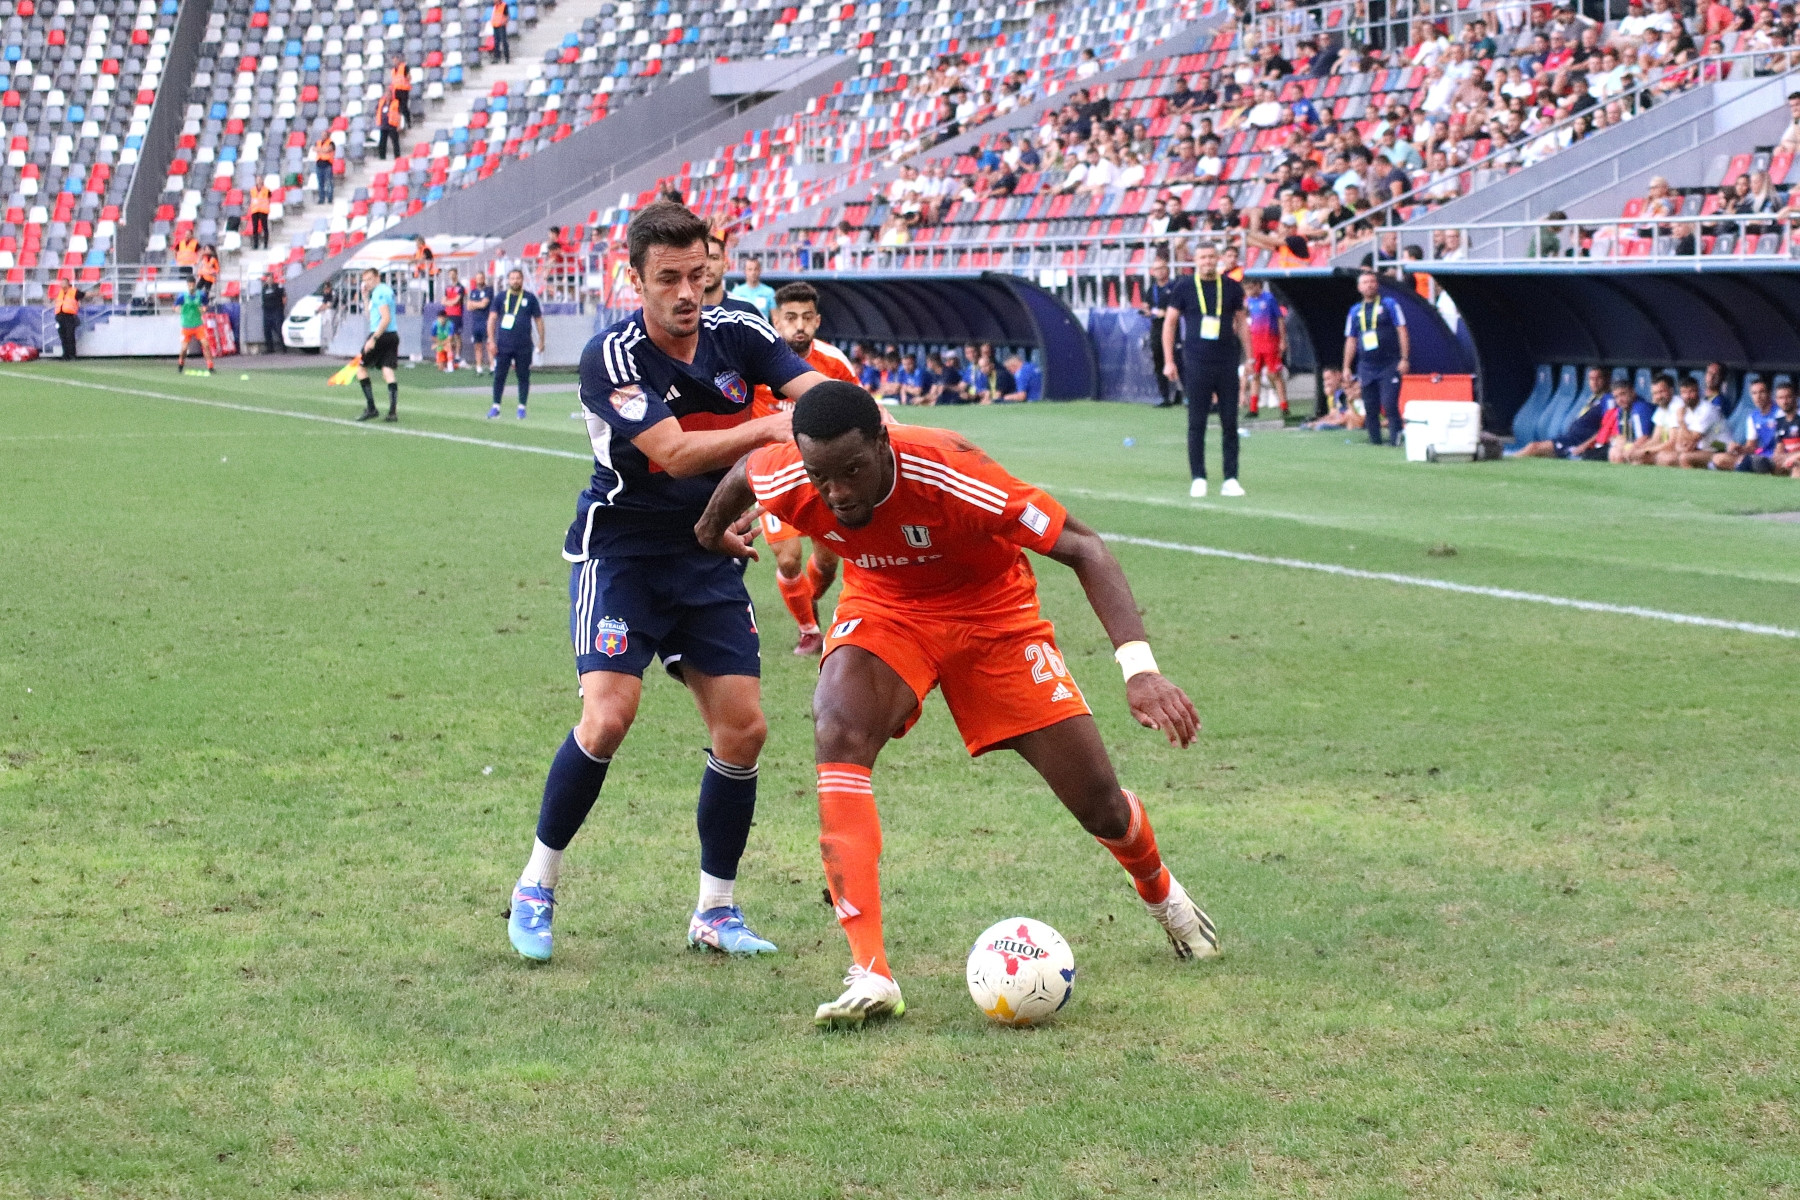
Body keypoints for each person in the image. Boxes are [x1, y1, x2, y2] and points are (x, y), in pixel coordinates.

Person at [694, 383, 1217, 1027]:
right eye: (821, 475)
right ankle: (871, 970)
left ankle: (1163, 894)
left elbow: (1085, 547)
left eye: (853, 470)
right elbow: (748, 469)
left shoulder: (953, 472)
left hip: (995, 618)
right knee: (838, 728)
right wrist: (709, 529)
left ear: (884, 443)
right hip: (886, 609)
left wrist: (1140, 672)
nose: (837, 493)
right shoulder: (791, 476)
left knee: (1100, 804)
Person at [503, 202, 834, 964]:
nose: (688, 292)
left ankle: (714, 911)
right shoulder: (610, 358)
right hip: (620, 555)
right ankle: (536, 883)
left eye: (698, 275)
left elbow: (808, 389)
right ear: (635, 280)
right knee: (609, 715)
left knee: (744, 729)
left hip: (708, 554)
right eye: (669, 279)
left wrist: (844, 412)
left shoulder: (740, 329)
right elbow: (677, 453)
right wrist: (769, 429)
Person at [750, 281, 860, 654]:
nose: (799, 325)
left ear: (817, 321)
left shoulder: (834, 363)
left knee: (828, 564)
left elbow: (857, 411)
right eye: (790, 318)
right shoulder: (755, 367)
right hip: (775, 478)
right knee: (789, 556)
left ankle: (803, 603)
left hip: (822, 479)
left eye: (807, 318)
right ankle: (809, 630)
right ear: (775, 320)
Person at [1161, 243, 1248, 498]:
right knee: (1196, 422)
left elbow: (1241, 323)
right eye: (1203, 257)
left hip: (1227, 360)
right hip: (1196, 361)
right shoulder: (1184, 286)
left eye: (1212, 256)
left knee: (1230, 421)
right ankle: (1198, 477)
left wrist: (1250, 358)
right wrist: (1169, 360)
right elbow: (1170, 324)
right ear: (1195, 260)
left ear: (1218, 259)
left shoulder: (1231, 287)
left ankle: (1230, 478)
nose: (1208, 261)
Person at [1341, 270, 1410, 447]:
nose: (1369, 285)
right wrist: (1346, 366)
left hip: (1389, 363)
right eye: (1365, 282)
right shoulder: (1355, 310)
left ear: (1377, 284)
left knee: (1389, 403)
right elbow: (1351, 339)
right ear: (1359, 287)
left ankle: (1396, 438)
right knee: (1370, 406)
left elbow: (1402, 331)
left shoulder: (1389, 304)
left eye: (1372, 281)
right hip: (1366, 365)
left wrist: (1404, 358)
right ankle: (1375, 440)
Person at [486, 267, 544, 419]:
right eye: (512, 278)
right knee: (500, 376)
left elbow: (538, 320)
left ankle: (522, 407)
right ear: (508, 280)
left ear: (522, 280)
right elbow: (492, 319)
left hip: (524, 345)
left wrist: (541, 340)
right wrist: (491, 340)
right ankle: (496, 406)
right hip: (503, 345)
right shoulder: (500, 298)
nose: (515, 281)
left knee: (523, 376)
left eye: (518, 278)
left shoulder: (530, 298)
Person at [356, 267, 400, 422]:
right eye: (365, 280)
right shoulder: (381, 292)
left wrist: (373, 339)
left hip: (380, 335)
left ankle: (371, 408)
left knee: (361, 368)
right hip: (392, 335)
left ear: (377, 277)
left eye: (369, 279)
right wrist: (365, 298)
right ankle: (392, 412)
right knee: (387, 371)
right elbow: (371, 317)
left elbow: (385, 318)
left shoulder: (380, 292)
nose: (366, 283)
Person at [1242, 277, 1288, 418]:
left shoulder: (1269, 299)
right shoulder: (1247, 303)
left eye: (1250, 288)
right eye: (1246, 289)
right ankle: (1253, 408)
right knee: (1255, 375)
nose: (1248, 292)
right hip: (1255, 344)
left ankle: (1284, 406)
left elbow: (1279, 319)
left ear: (1258, 286)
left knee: (1275, 374)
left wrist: (1282, 340)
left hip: (1270, 342)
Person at [1713, 377, 1778, 472]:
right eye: (1754, 393)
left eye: (1762, 392)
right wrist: (1739, 448)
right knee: (1718, 458)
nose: (1758, 397)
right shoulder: (1753, 417)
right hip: (1760, 456)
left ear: (1769, 393)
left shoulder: (1780, 413)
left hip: (1777, 457)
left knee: (1750, 463)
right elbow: (1751, 447)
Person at [1143, 255, 1180, 406]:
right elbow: (1146, 305)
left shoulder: (1174, 287)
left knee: (1178, 360)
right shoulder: (1152, 289)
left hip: (1173, 328)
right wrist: (1148, 310)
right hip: (1157, 328)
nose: (1159, 272)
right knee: (1159, 361)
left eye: (1161, 268)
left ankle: (1182, 394)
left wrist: (1167, 313)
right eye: (1156, 269)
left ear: (1167, 269)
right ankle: (1165, 397)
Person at [175, 280, 213, 374]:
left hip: (198, 325)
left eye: (193, 284)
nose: (191, 286)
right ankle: (181, 363)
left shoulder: (201, 295)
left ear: (195, 284)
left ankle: (210, 366)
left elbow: (206, 304)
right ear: (187, 285)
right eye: (189, 284)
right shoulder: (182, 296)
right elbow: (175, 306)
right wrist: (178, 310)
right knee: (184, 349)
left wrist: (204, 309)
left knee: (206, 344)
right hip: (186, 326)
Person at [1769, 382, 1800, 477]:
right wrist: (1778, 458)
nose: (1785, 401)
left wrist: (1789, 457)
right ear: (1776, 400)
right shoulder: (1779, 422)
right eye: (1781, 398)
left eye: (1788, 397)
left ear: (1796, 397)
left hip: (1796, 460)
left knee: (1796, 470)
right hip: (1789, 460)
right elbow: (1779, 449)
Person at [466, 272, 492, 373]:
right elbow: (468, 306)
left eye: (481, 278)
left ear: (484, 278)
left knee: (489, 344)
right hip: (476, 322)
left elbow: (484, 304)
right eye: (478, 278)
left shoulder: (489, 290)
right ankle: (479, 367)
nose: (479, 280)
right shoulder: (473, 292)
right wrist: (477, 304)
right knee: (477, 345)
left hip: (486, 321)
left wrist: (474, 304)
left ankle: (492, 366)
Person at [439, 268, 464, 368]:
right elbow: (443, 301)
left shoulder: (460, 287)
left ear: (456, 274)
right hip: (448, 314)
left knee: (457, 335)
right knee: (449, 336)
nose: (452, 276)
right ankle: (450, 356)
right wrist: (450, 303)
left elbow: (456, 301)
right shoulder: (448, 287)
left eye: (453, 274)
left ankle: (458, 356)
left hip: (457, 314)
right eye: (450, 274)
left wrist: (448, 303)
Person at [50, 280, 81, 360]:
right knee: (63, 337)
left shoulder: (73, 292)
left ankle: (72, 355)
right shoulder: (60, 293)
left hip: (69, 317)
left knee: (70, 336)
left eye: (63, 282)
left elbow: (82, 295)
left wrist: (95, 294)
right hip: (60, 316)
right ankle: (65, 355)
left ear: (67, 284)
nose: (61, 284)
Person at [259, 270, 286, 356]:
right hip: (267, 311)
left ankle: (284, 347)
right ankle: (269, 348)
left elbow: (284, 297)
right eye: (267, 278)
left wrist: (281, 308)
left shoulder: (278, 286)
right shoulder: (264, 288)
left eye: (269, 278)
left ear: (272, 278)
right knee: (267, 329)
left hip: (276, 310)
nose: (268, 280)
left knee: (279, 329)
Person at [376, 90, 404, 160]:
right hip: (383, 125)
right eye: (386, 94)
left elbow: (399, 114)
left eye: (389, 95)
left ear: (391, 95)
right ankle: (382, 157)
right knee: (382, 142)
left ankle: (397, 157)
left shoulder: (396, 103)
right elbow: (377, 110)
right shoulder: (381, 102)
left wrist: (399, 125)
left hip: (392, 125)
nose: (388, 96)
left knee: (395, 142)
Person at [312, 132, 337, 204]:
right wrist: (323, 150)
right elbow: (314, 149)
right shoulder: (318, 142)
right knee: (320, 183)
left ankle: (329, 199)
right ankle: (321, 199)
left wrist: (319, 150)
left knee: (329, 183)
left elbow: (328, 150)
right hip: (319, 165)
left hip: (327, 165)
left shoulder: (331, 143)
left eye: (324, 135)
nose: (323, 136)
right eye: (322, 135)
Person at [247, 181, 272, 251]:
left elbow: (270, 197)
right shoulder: (252, 190)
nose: (259, 183)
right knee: (255, 228)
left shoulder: (267, 190)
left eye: (260, 182)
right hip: (255, 210)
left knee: (265, 228)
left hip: (263, 211)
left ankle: (266, 244)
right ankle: (255, 245)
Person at [389, 57, 413, 128]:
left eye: (396, 60)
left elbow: (409, 77)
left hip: (404, 90)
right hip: (396, 91)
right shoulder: (393, 70)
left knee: (404, 107)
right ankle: (398, 123)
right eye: (394, 61)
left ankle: (408, 122)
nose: (395, 62)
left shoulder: (404, 67)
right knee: (397, 108)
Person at [489, 0, 511, 64]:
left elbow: (507, 16)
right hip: (495, 26)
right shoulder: (495, 6)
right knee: (496, 43)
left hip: (501, 26)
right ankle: (497, 58)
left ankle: (507, 58)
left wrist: (503, 22)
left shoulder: (504, 5)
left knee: (504, 42)